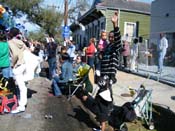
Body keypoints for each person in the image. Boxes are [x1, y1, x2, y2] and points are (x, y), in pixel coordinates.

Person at [8, 27, 28, 114]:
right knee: (22, 86)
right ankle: (22, 103)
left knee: (21, 86)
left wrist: (12, 64)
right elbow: (26, 50)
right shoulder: (20, 41)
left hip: (18, 65)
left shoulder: (10, 42)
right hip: (23, 64)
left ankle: (21, 106)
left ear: (11, 33)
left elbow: (14, 54)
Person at [100, 11, 121, 95]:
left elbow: (118, 37)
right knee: (103, 92)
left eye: (112, 37)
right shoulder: (108, 46)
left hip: (109, 75)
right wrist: (100, 54)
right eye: (110, 37)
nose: (111, 38)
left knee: (107, 93)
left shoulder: (116, 46)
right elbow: (103, 56)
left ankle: (109, 107)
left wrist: (115, 24)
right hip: (103, 73)